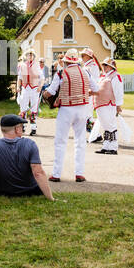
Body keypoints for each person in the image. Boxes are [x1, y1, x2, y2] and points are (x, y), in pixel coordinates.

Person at [0, 114, 54, 200]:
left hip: (3, 191)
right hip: (30, 190)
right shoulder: (30, 144)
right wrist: (50, 198)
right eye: (22, 127)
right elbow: (38, 173)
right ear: (17, 129)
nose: (23, 129)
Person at [46, 48, 91, 182]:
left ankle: (56, 174)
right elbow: (95, 89)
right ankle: (79, 173)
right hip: (82, 108)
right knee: (80, 141)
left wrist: (43, 95)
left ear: (66, 61)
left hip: (66, 109)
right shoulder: (85, 72)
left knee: (60, 141)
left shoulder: (61, 73)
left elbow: (51, 91)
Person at [92, 57, 124, 154]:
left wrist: (118, 105)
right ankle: (106, 145)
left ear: (111, 67)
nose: (104, 67)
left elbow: (118, 92)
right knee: (105, 124)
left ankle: (113, 147)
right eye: (104, 65)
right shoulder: (104, 76)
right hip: (101, 103)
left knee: (110, 124)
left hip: (109, 103)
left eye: (106, 65)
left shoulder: (115, 76)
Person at [16, 50, 42, 135]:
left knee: (34, 108)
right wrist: (18, 87)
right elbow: (19, 78)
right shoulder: (22, 65)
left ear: (34, 56)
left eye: (31, 55)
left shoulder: (37, 65)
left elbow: (42, 78)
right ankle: (22, 126)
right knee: (23, 107)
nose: (30, 57)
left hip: (34, 89)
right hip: (25, 88)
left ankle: (33, 128)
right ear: (26, 56)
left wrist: (40, 87)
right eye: (28, 55)